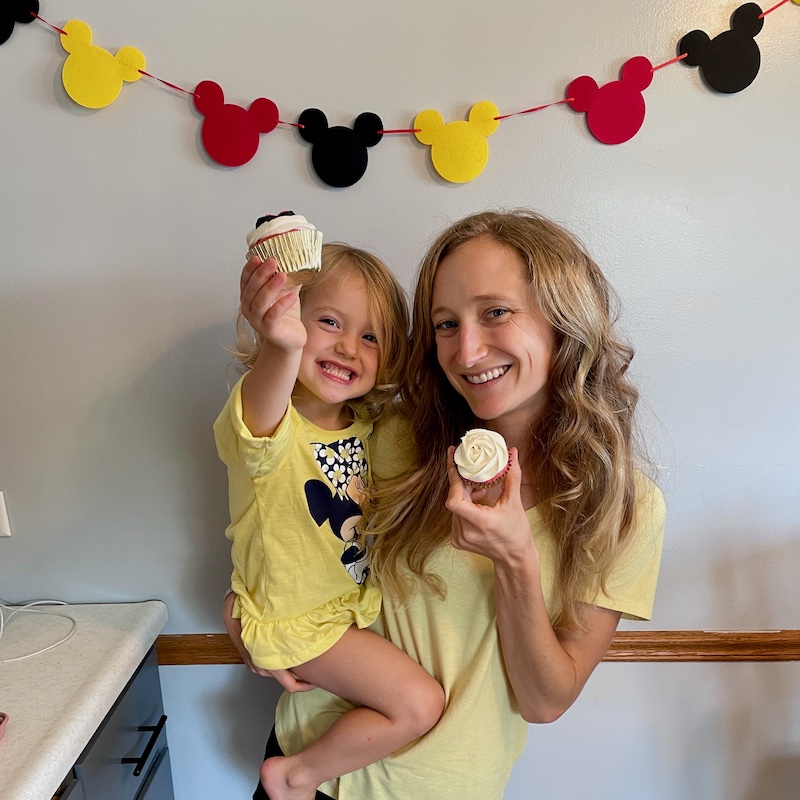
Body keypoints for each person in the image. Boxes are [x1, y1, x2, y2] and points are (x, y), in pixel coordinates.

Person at [224, 209, 666, 800]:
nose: (468, 350)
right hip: (312, 769)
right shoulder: (395, 437)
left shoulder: (623, 506)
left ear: (564, 319)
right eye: (446, 324)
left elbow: (544, 702)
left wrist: (516, 561)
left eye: (496, 312)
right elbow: (278, 504)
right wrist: (240, 610)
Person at [215, 242, 445, 800]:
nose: (348, 346)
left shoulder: (366, 427)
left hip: (341, 613)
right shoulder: (271, 427)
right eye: (330, 322)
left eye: (371, 337)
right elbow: (263, 407)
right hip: (302, 620)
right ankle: (295, 775)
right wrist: (282, 344)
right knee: (419, 704)